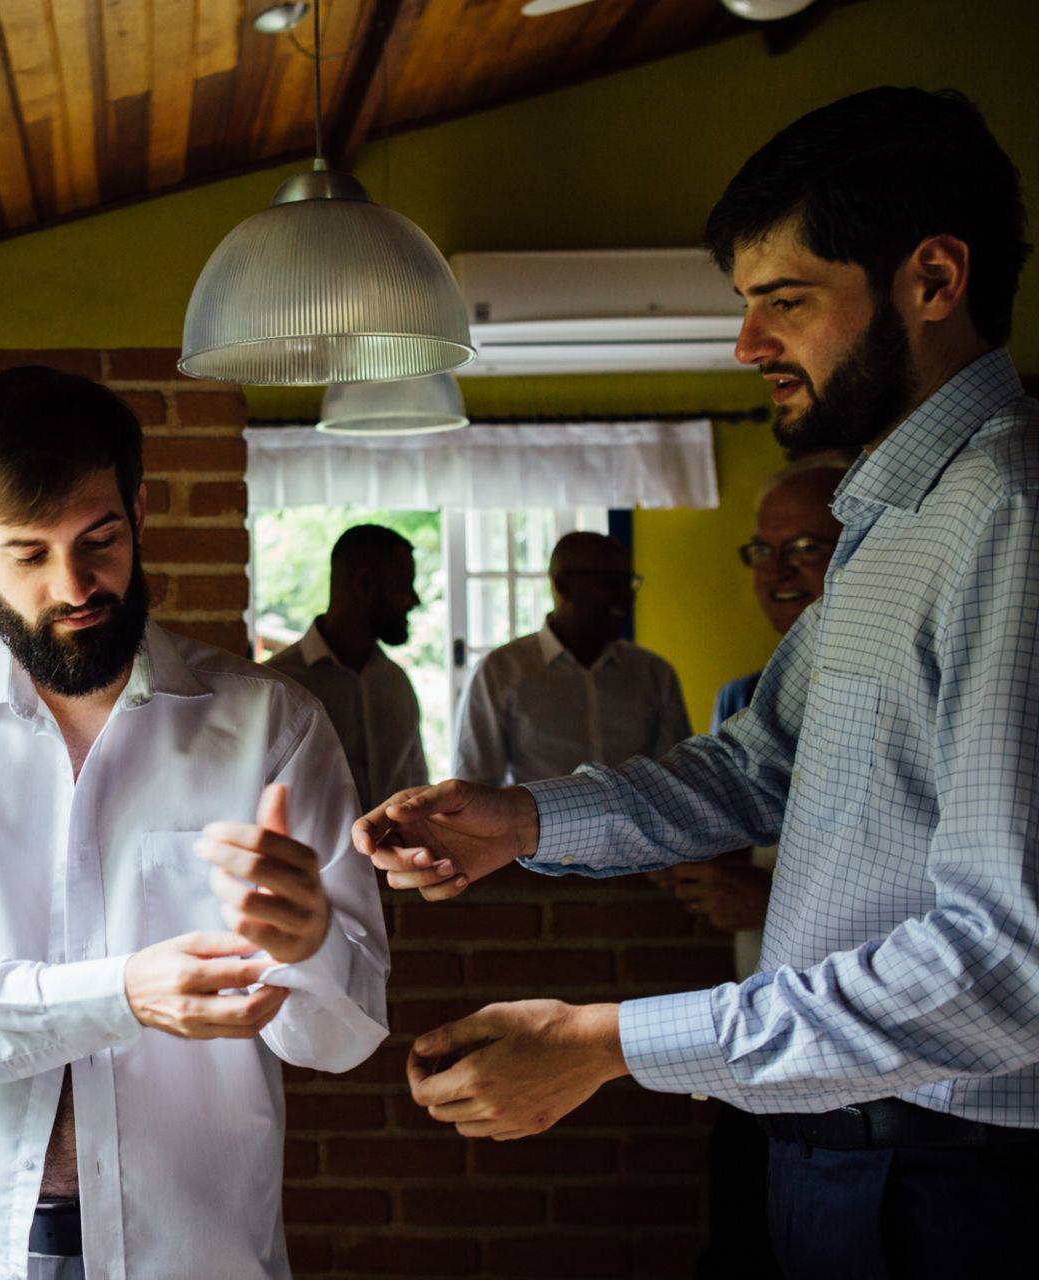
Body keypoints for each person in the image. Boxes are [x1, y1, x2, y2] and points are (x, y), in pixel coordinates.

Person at [356, 88, 1038, 1276]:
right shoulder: (890, 515)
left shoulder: (1011, 513)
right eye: (746, 304)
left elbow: (1004, 967)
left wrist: (609, 1042)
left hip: (948, 1183)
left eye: (786, 300)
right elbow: (756, 763)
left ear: (934, 279)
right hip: (843, 1152)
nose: (746, 344)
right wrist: (524, 820)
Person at [0, 365, 388, 1280]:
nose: (76, 584)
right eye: (30, 555)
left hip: (196, 1248)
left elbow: (344, 1040)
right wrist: (118, 995)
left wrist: (312, 943)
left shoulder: (273, 729)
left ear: (139, 512)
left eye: (100, 540)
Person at [649, 457, 844, 1280]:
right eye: (762, 550)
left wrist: (768, 900)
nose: (777, 571)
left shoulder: (913, 690)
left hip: (859, 1052)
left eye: (804, 546)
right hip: (754, 1030)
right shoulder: (744, 701)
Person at [450, 531, 692, 785]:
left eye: (629, 582)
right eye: (611, 583)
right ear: (562, 585)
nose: (628, 597)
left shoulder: (654, 673)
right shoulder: (500, 672)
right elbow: (475, 784)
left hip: (639, 814)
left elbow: (679, 778)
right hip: (538, 814)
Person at [266, 524, 428, 812]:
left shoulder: (397, 683)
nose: (414, 600)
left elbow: (418, 784)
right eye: (404, 586)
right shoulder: (279, 685)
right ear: (364, 584)